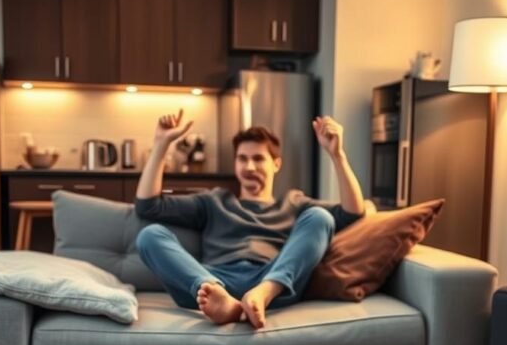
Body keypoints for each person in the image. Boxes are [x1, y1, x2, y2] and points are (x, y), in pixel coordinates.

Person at [135, 110, 365, 329]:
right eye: (242, 159)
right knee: (150, 235)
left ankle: (261, 296)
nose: (249, 167)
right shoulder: (214, 201)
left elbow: (353, 214)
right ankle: (225, 303)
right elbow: (148, 206)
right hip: (214, 284)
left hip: (272, 281)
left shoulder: (293, 202)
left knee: (320, 217)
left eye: (258, 159)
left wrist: (337, 155)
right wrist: (161, 144)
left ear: (276, 164)